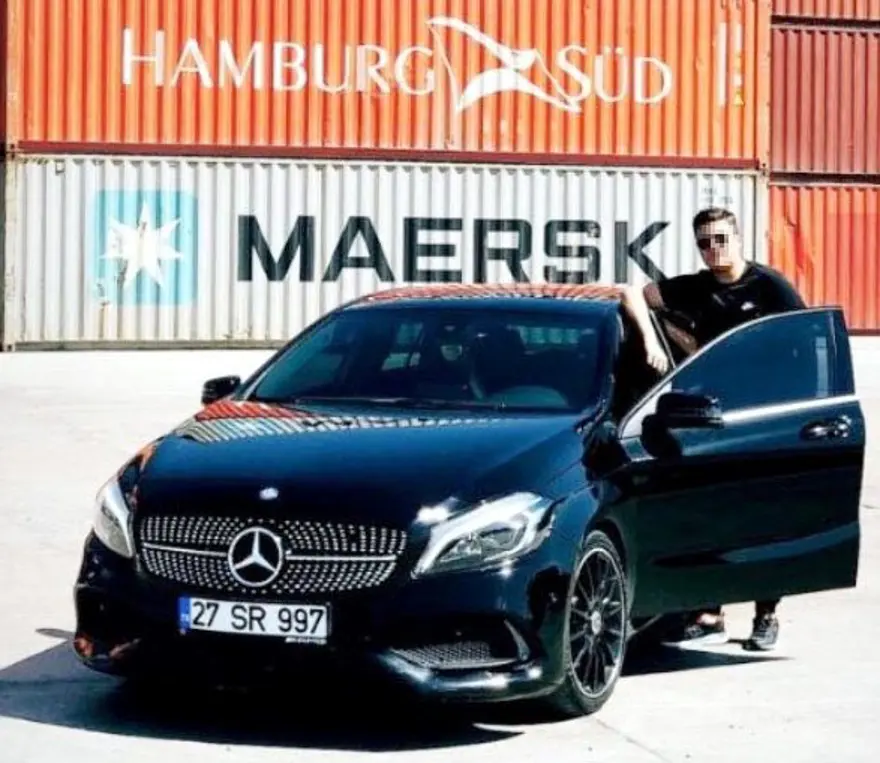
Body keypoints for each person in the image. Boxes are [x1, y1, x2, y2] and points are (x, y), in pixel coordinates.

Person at [620, 206, 807, 652]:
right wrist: (651, 340)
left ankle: (766, 616)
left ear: (738, 239)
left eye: (721, 239)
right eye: (704, 242)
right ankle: (709, 612)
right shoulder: (697, 287)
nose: (713, 249)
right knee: (711, 512)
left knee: (762, 518)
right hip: (710, 418)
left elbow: (802, 337)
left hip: (762, 417)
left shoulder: (770, 286)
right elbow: (633, 294)